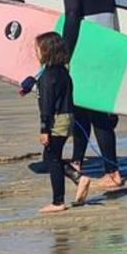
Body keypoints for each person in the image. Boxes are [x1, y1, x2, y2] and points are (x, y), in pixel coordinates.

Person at [55, 0, 123, 186]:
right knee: (83, 110)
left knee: (97, 116)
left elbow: (72, 18)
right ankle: (76, 162)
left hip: (86, 54)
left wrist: (65, 54)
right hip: (107, 52)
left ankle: (113, 172)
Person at [34, 32, 91, 213]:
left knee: (52, 159)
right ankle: (76, 178)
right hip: (68, 117)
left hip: (56, 119)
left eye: (37, 49)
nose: (35, 53)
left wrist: (44, 129)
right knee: (53, 157)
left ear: (47, 52)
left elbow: (47, 105)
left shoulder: (47, 77)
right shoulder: (63, 73)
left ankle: (59, 200)